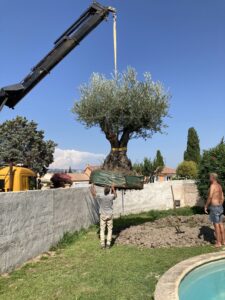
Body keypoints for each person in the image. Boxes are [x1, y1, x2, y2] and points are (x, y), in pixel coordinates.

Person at [90, 184, 117, 249]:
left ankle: (102, 244)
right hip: (109, 215)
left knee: (102, 229)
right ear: (109, 190)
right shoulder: (111, 196)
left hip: (102, 215)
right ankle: (108, 244)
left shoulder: (101, 196)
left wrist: (93, 187)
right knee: (109, 229)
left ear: (104, 190)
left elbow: (94, 194)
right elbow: (116, 196)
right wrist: (113, 188)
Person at [205, 173, 225, 247]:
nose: (209, 178)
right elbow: (223, 198)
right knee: (221, 224)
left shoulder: (212, 186)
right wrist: (220, 205)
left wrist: (206, 206)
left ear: (213, 178)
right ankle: (223, 241)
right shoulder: (219, 186)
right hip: (220, 207)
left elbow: (210, 197)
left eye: (210, 177)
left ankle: (218, 243)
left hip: (214, 207)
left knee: (216, 225)